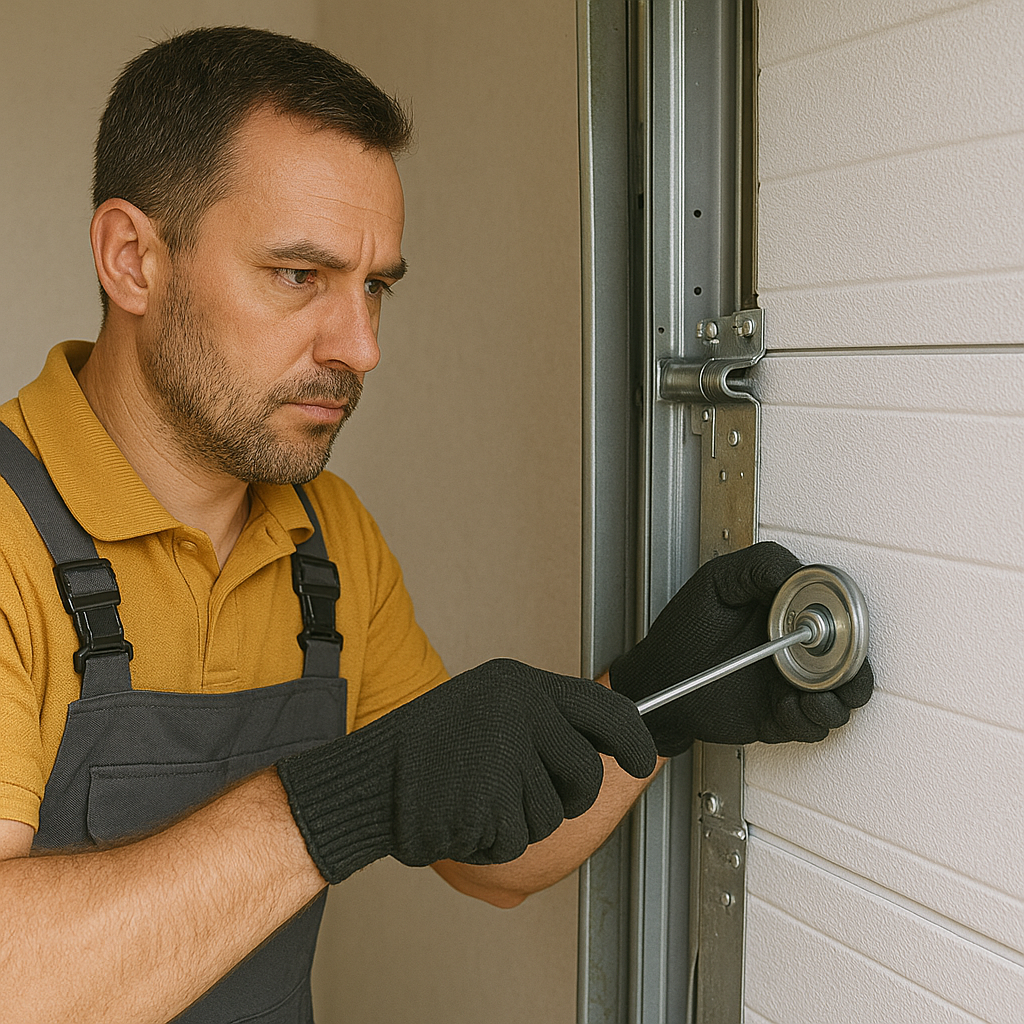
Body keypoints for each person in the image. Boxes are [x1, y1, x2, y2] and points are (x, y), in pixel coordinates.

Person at [0, 26, 873, 1024]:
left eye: (375, 286)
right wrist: (338, 800)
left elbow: (488, 856)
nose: (361, 345)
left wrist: (658, 700)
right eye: (298, 276)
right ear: (132, 259)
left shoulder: (325, 541)